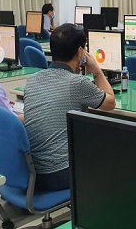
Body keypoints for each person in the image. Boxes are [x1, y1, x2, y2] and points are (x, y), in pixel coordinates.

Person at [23, 23, 115, 191]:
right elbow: (110, 103)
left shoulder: (33, 79)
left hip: (31, 172)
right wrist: (96, 70)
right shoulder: (76, 83)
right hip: (59, 174)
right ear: (81, 52)